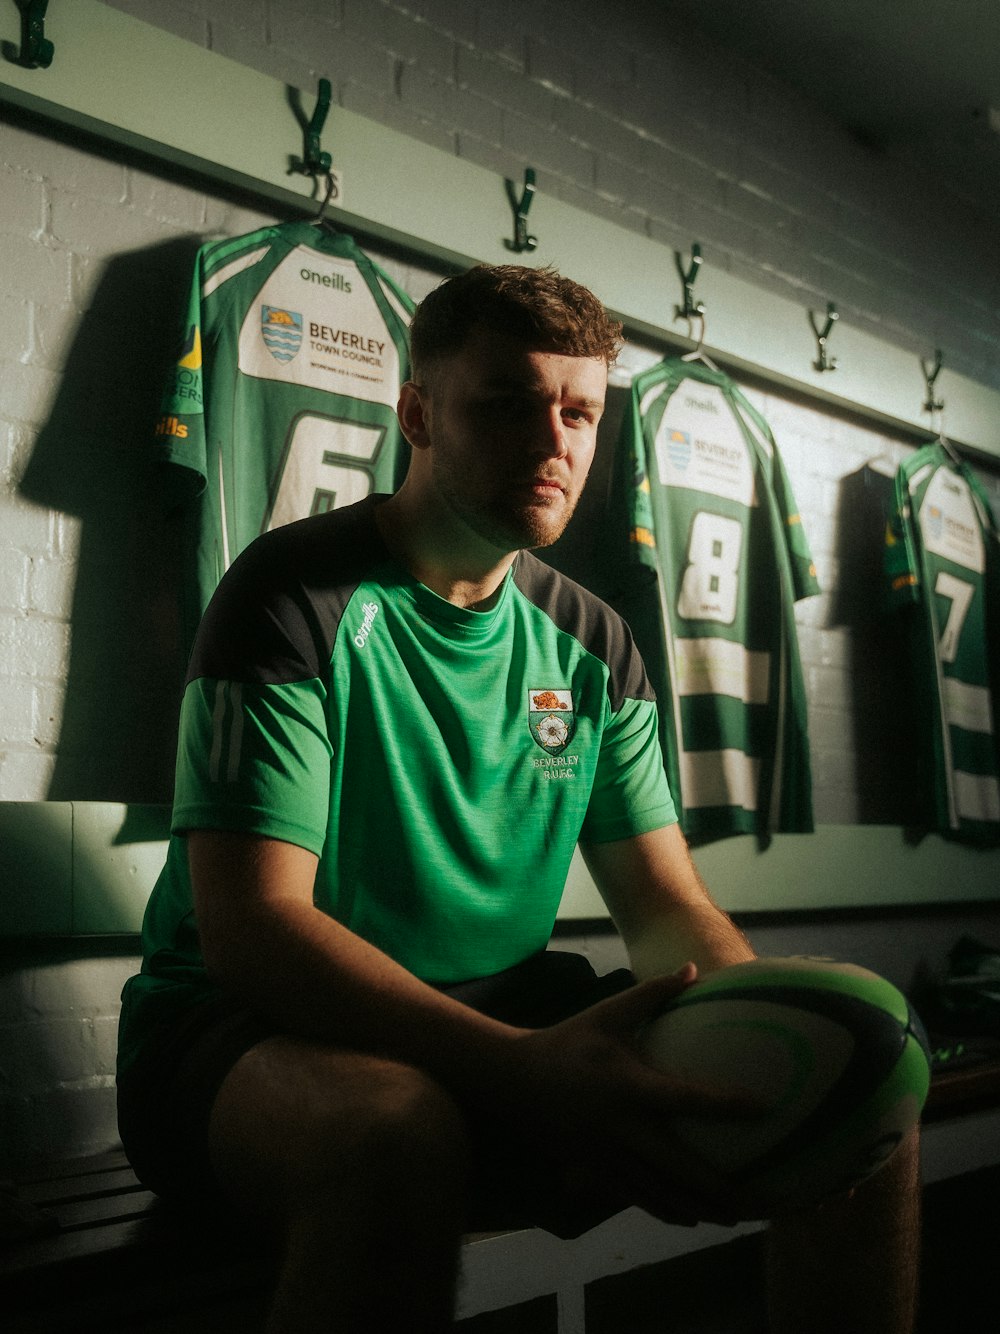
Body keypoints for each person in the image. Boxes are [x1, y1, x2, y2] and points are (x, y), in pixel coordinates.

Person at [117, 263, 918, 1333]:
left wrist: (751, 1031)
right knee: (396, 1133)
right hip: (236, 1035)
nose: (554, 442)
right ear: (417, 412)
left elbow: (666, 904)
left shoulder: (592, 638)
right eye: (506, 401)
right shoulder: (291, 592)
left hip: (499, 1016)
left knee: (859, 1077)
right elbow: (253, 930)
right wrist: (520, 1071)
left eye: (578, 411)